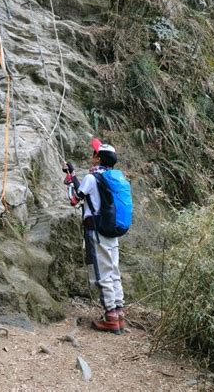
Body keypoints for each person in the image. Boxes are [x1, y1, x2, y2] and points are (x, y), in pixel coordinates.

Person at [63, 138, 126, 334]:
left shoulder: (92, 178)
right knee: (113, 270)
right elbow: (88, 193)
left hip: (96, 231)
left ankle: (111, 317)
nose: (92, 156)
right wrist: (73, 176)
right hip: (111, 230)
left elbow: (74, 200)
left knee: (101, 274)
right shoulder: (112, 178)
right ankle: (119, 311)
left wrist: (69, 183)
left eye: (94, 153)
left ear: (98, 159)